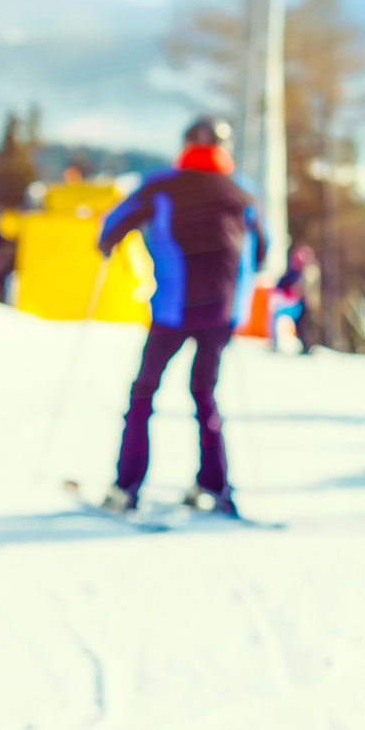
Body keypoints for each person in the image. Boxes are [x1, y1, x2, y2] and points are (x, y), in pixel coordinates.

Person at [95, 116, 264, 515]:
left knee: (143, 392)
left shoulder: (160, 185)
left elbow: (111, 228)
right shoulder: (243, 191)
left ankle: (127, 487)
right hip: (223, 311)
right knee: (205, 394)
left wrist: (110, 247)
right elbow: (265, 248)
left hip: (174, 308)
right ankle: (214, 485)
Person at [269, 244, 319, 354]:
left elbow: (303, 288)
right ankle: (276, 342)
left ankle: (308, 346)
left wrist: (295, 292)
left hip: (304, 304)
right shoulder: (292, 270)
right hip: (292, 303)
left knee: (305, 325)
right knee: (277, 317)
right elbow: (282, 284)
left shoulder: (310, 271)